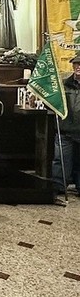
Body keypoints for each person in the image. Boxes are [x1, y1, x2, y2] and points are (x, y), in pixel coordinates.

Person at [51, 54, 80, 196]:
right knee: (61, 160)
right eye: (76, 64)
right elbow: (52, 102)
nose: (78, 67)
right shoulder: (62, 84)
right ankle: (59, 187)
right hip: (65, 128)